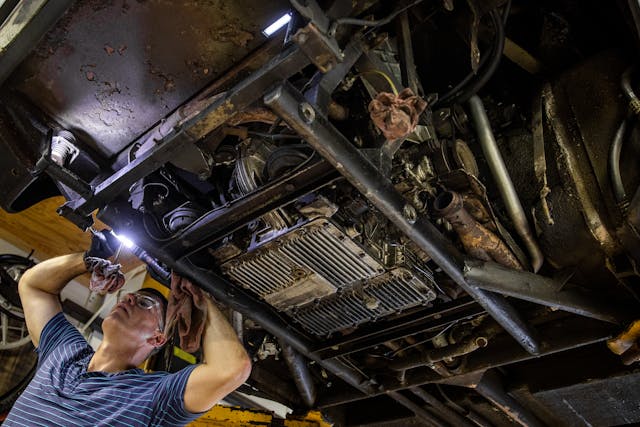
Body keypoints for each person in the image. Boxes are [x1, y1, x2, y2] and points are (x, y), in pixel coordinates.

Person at [3, 233, 251, 426]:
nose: (128, 300)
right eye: (129, 297)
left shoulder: (153, 395)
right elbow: (32, 286)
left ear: (157, 338)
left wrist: (196, 294)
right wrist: (87, 260)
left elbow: (231, 369)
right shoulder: (64, 352)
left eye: (144, 303)